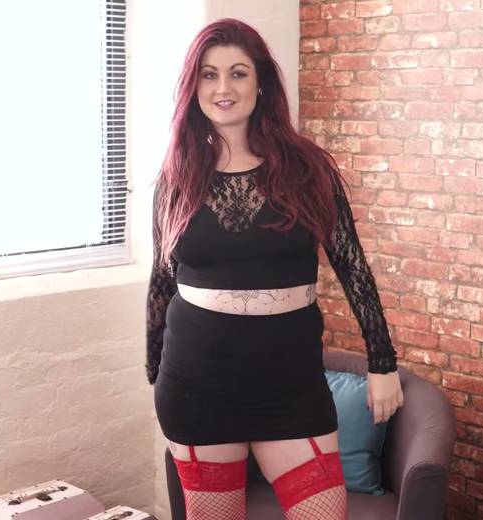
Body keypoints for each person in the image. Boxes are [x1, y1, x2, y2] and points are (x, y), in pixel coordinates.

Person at [146, 18, 403, 520]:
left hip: (290, 382)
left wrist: (382, 363)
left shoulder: (308, 169)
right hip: (195, 381)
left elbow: (352, 267)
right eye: (209, 74)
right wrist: (154, 369)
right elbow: (161, 282)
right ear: (193, 87)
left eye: (238, 73)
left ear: (261, 82)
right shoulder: (176, 178)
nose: (223, 88)